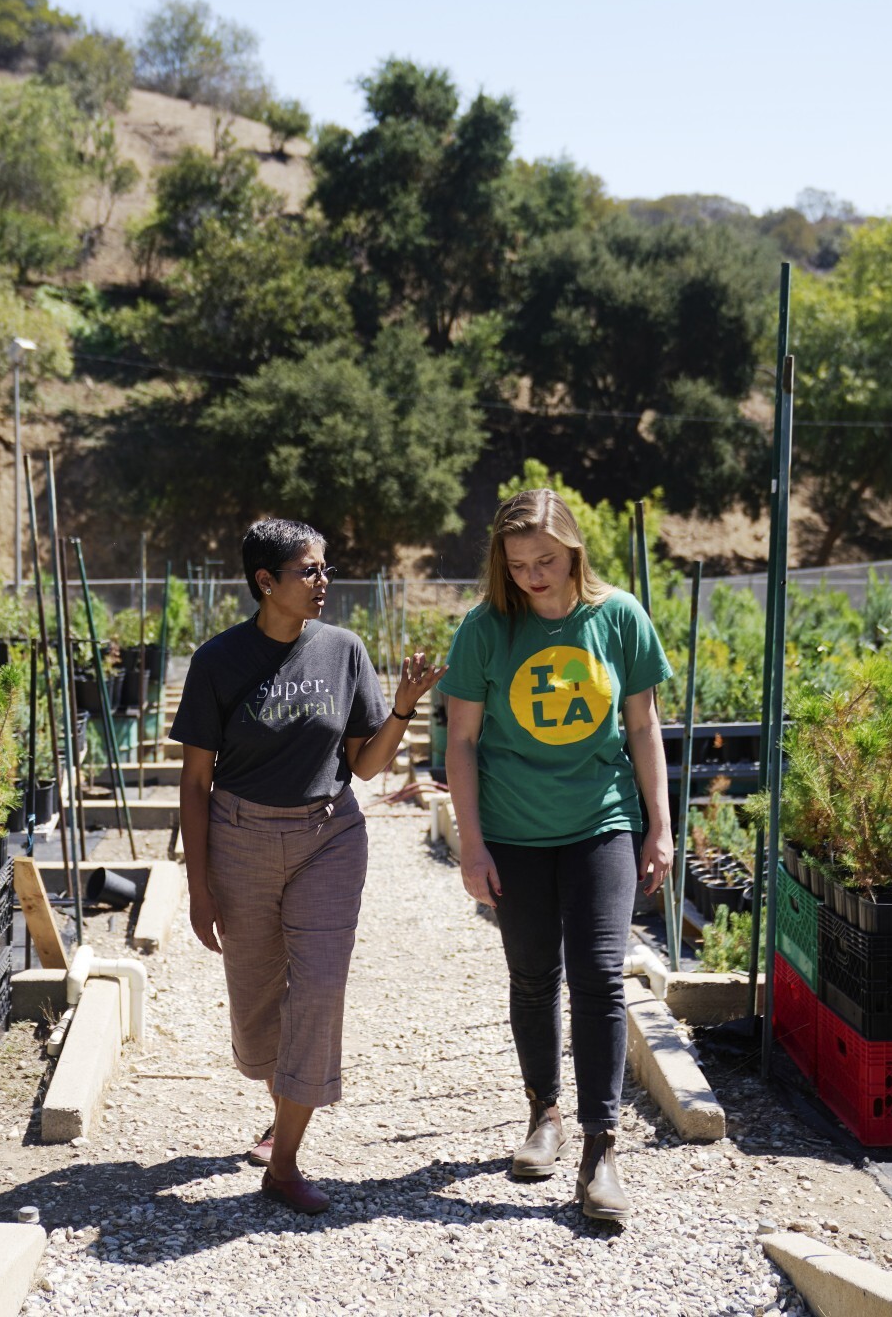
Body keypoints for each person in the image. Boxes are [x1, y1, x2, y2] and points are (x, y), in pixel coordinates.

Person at [173, 519, 444, 1215]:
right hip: (239, 838)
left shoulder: (344, 651)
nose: (325, 583)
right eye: (309, 571)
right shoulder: (220, 661)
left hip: (330, 835)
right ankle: (282, 1103)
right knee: (259, 1012)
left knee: (319, 992)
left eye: (326, 569)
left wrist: (403, 712)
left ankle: (285, 1161)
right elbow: (194, 782)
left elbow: (366, 765)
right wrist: (198, 887)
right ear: (267, 582)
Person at [438, 489, 674, 1225]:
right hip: (513, 832)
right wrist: (470, 844)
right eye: (518, 565)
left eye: (545, 560)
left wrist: (659, 826)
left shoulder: (620, 617)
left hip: (602, 823)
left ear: (573, 550)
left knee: (601, 975)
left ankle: (600, 1150)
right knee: (534, 976)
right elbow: (463, 742)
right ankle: (545, 1112)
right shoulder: (485, 630)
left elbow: (643, 727)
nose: (534, 576)